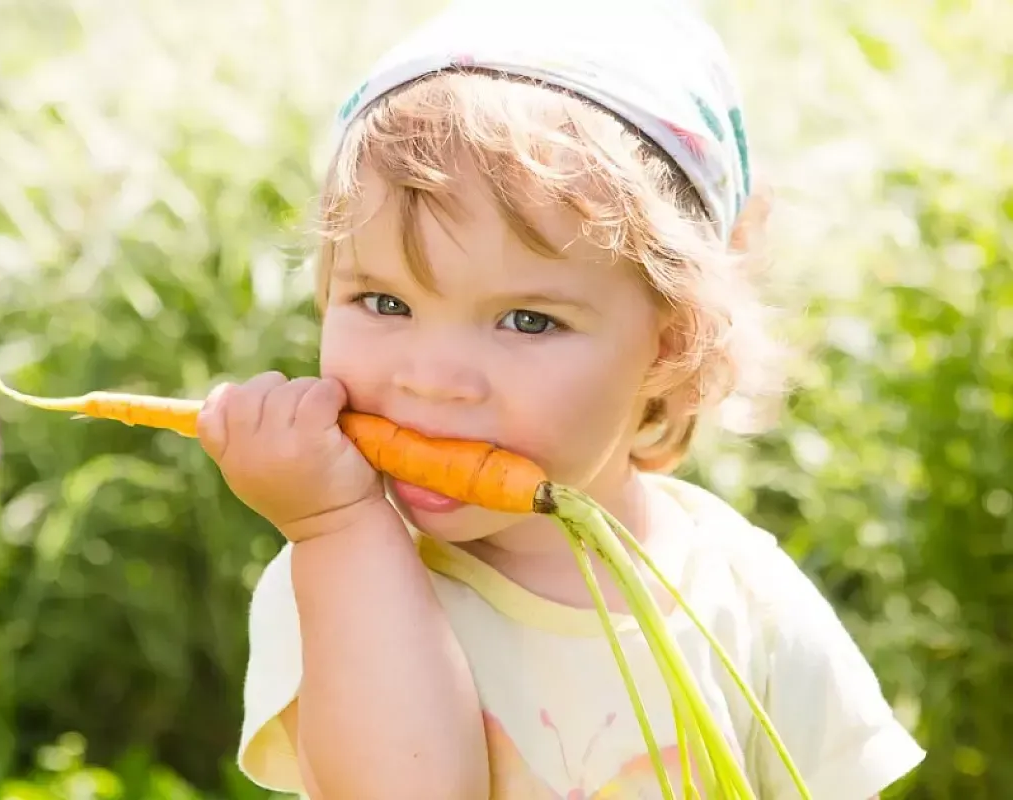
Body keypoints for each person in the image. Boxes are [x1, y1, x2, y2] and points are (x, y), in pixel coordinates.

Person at [195, 0, 927, 796]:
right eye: (385, 303)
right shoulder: (341, 577)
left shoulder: (743, 594)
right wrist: (334, 526)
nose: (432, 379)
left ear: (671, 341)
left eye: (528, 320)